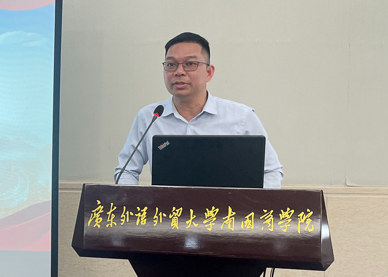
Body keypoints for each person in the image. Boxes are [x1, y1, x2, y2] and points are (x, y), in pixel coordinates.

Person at [114, 32, 283, 188]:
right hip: (167, 210)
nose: (179, 72)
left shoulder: (242, 117)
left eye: (190, 64)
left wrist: (251, 205)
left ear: (209, 72)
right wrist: (133, 202)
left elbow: (271, 171)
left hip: (225, 210)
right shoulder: (150, 117)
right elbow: (126, 171)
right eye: (171, 64)